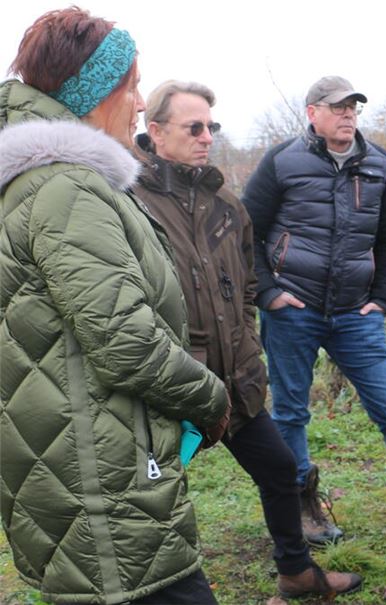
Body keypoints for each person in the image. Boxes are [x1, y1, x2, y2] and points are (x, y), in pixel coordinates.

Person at [0, 8, 230, 604]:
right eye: (131, 87)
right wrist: (211, 396)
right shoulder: (65, 188)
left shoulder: (56, 183)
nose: (137, 105)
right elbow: (126, 342)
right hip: (99, 477)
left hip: (83, 458)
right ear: (94, 93)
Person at [133, 80, 362, 600]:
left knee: (280, 468)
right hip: (169, 383)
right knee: (156, 497)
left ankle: (297, 573)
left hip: (233, 377)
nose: (206, 137)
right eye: (193, 127)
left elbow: (246, 284)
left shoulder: (226, 205)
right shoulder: (130, 202)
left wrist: (246, 349)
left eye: (211, 126)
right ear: (157, 131)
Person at [242, 75, 386, 551]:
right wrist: (269, 293)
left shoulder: (378, 164)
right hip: (293, 307)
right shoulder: (282, 161)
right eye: (337, 107)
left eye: (353, 108)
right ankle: (302, 504)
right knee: (292, 412)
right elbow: (246, 230)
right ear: (312, 113)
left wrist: (383, 298)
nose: (347, 115)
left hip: (355, 313)